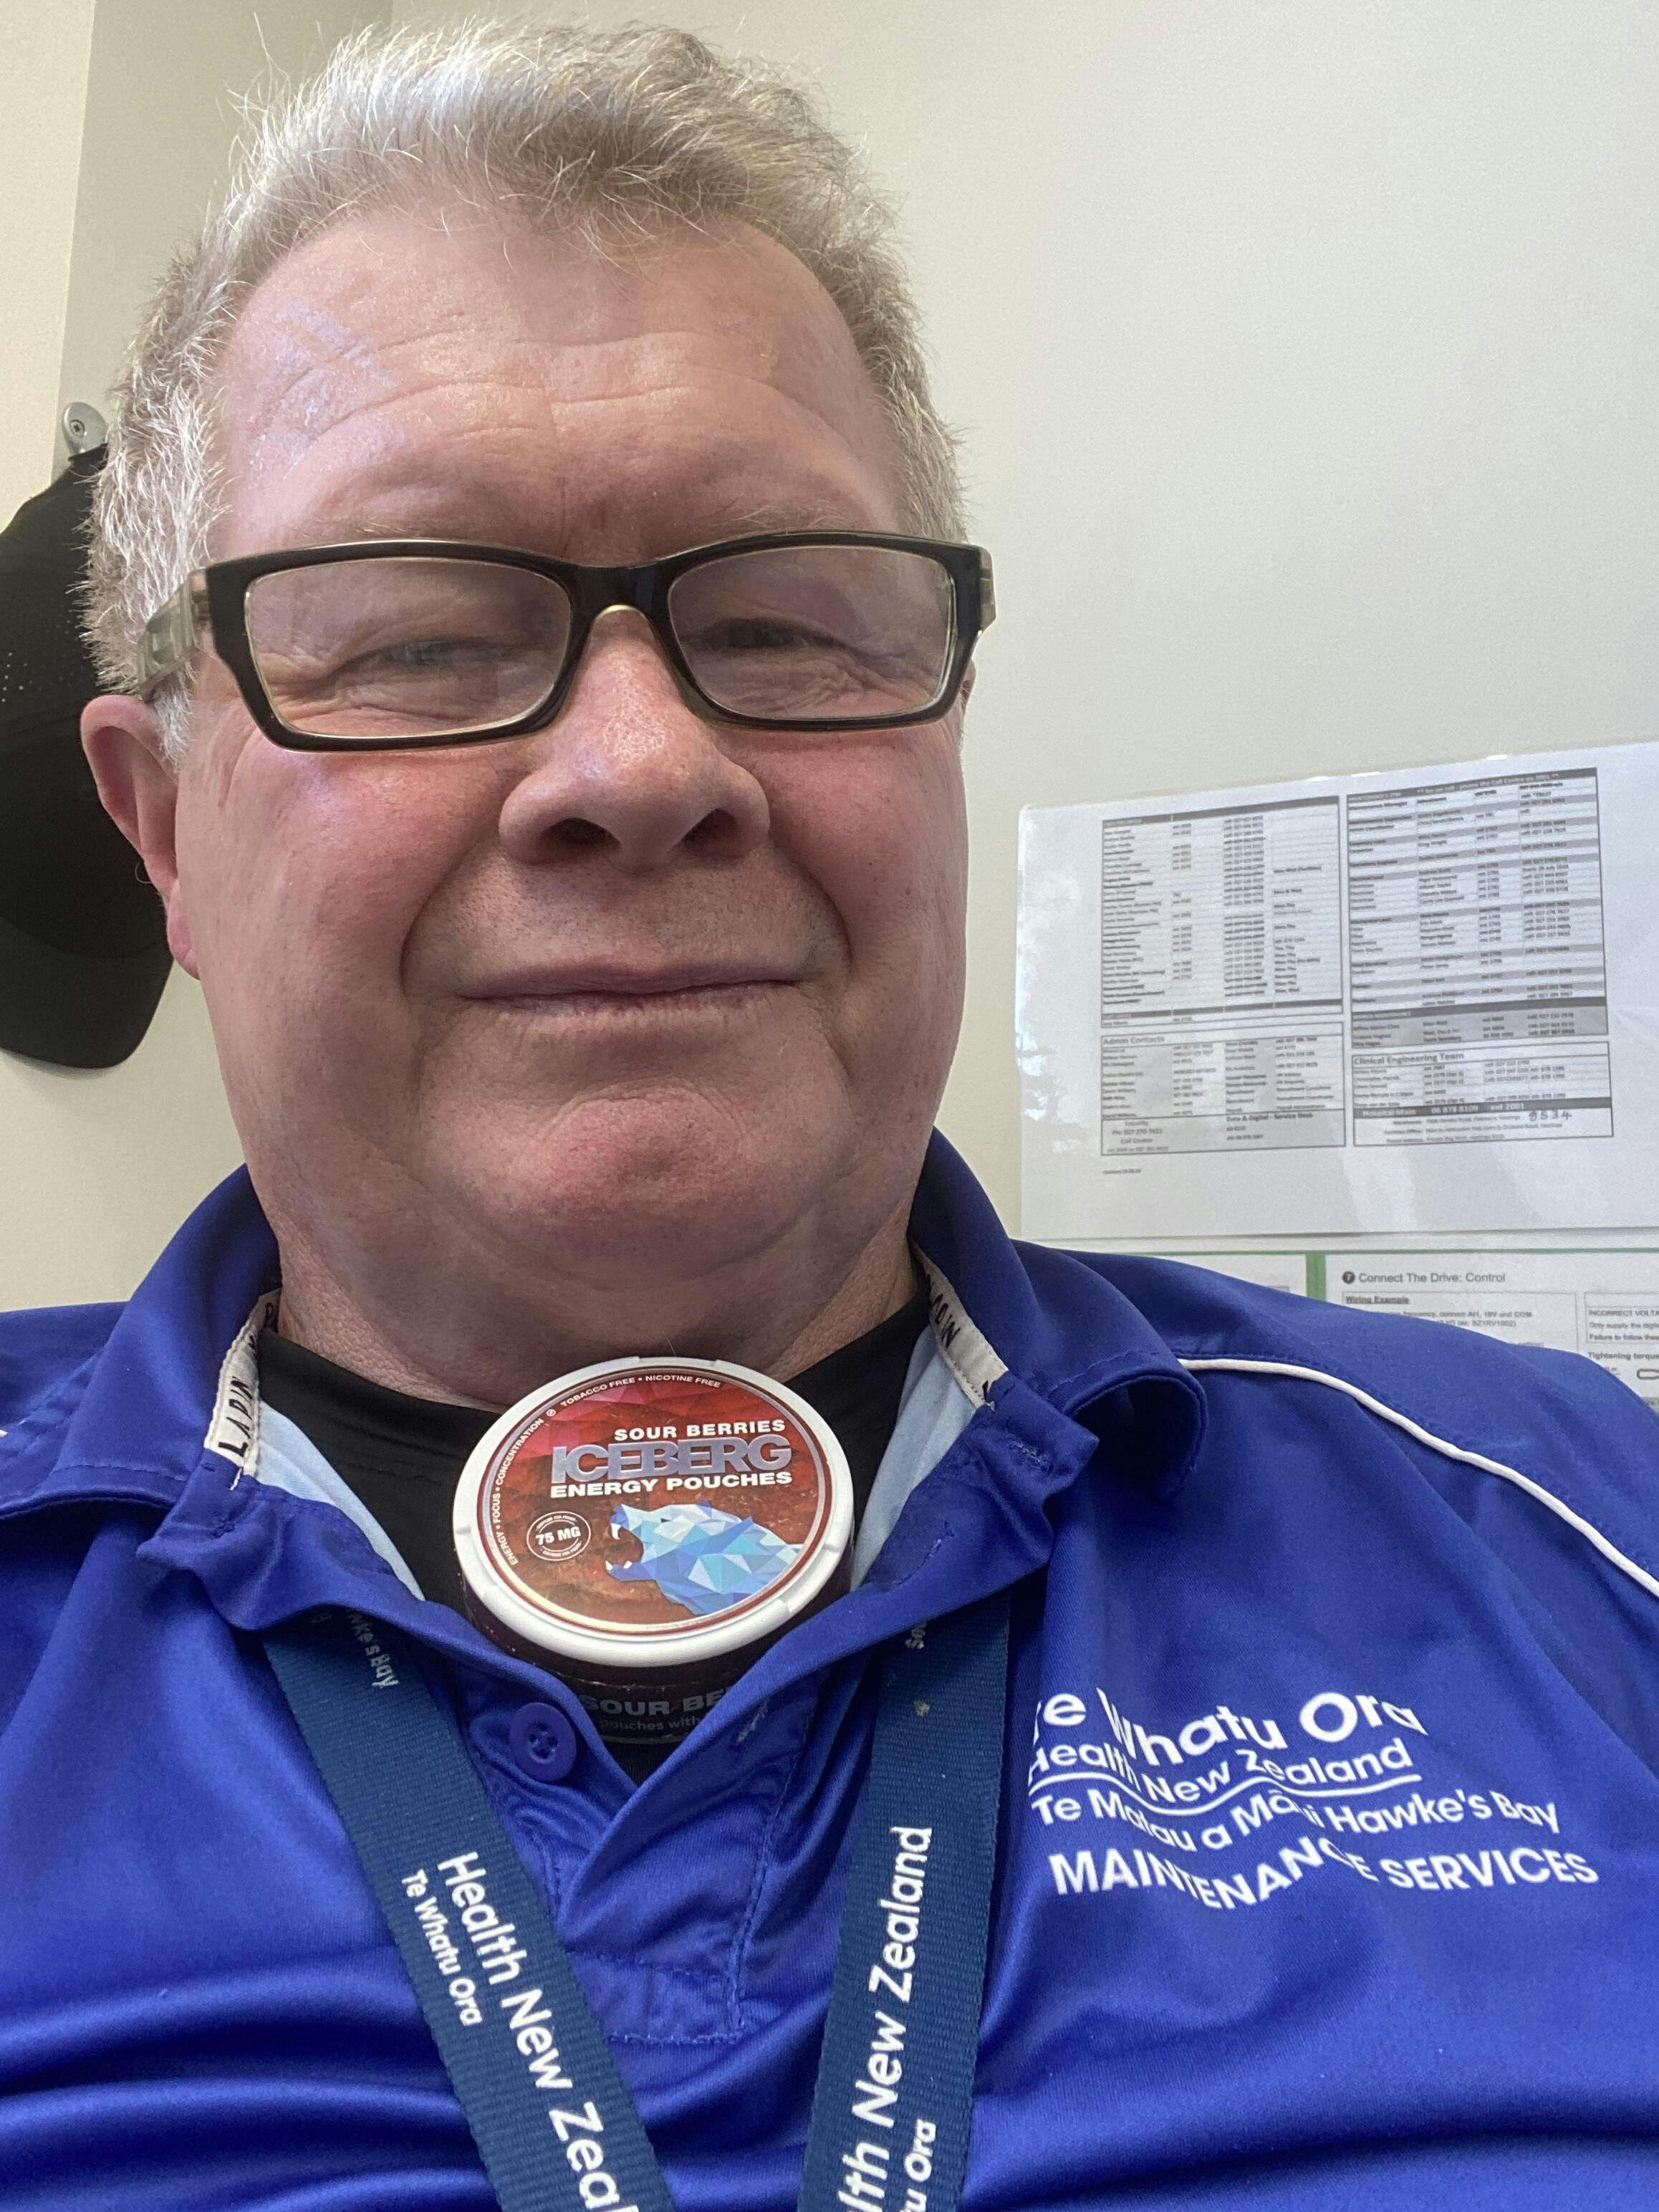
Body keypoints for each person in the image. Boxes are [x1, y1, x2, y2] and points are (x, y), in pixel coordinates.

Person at [4, 22, 1658, 2211]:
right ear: (162, 832)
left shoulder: (1572, 1529)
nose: (639, 767)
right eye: (413, 640)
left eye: (784, 622)